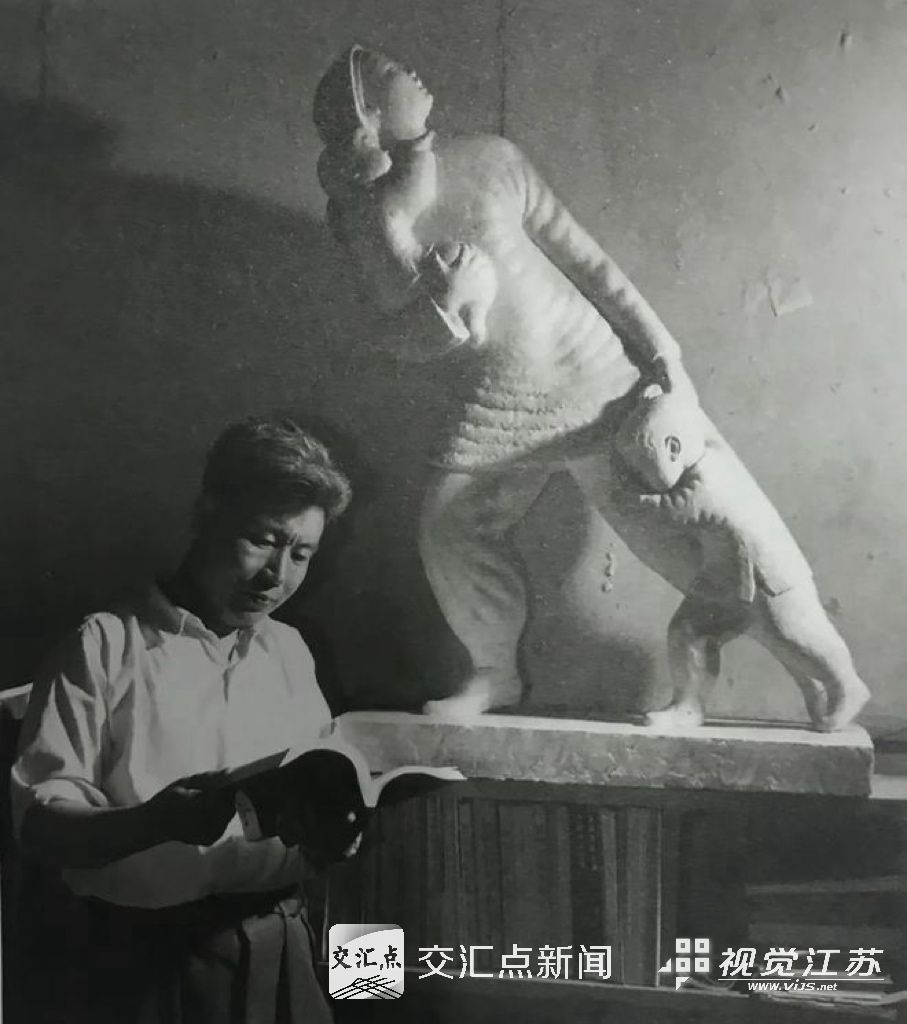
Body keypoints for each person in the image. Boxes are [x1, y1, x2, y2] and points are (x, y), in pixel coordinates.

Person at [313, 45, 697, 719]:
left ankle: (747, 666)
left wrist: (662, 350)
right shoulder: (364, 215)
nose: (410, 72)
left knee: (677, 528)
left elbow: (587, 262)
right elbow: (397, 338)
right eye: (388, 74)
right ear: (367, 112)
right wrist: (446, 303)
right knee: (449, 530)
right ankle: (494, 673)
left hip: (591, 377)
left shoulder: (492, 158)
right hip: (498, 402)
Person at [11, 417, 353, 1023]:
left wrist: (335, 830)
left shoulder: (289, 651)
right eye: (262, 540)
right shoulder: (105, 644)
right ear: (208, 513)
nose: (277, 577)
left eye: (301, 554)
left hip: (281, 947)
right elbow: (40, 829)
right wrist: (155, 822)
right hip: (144, 961)